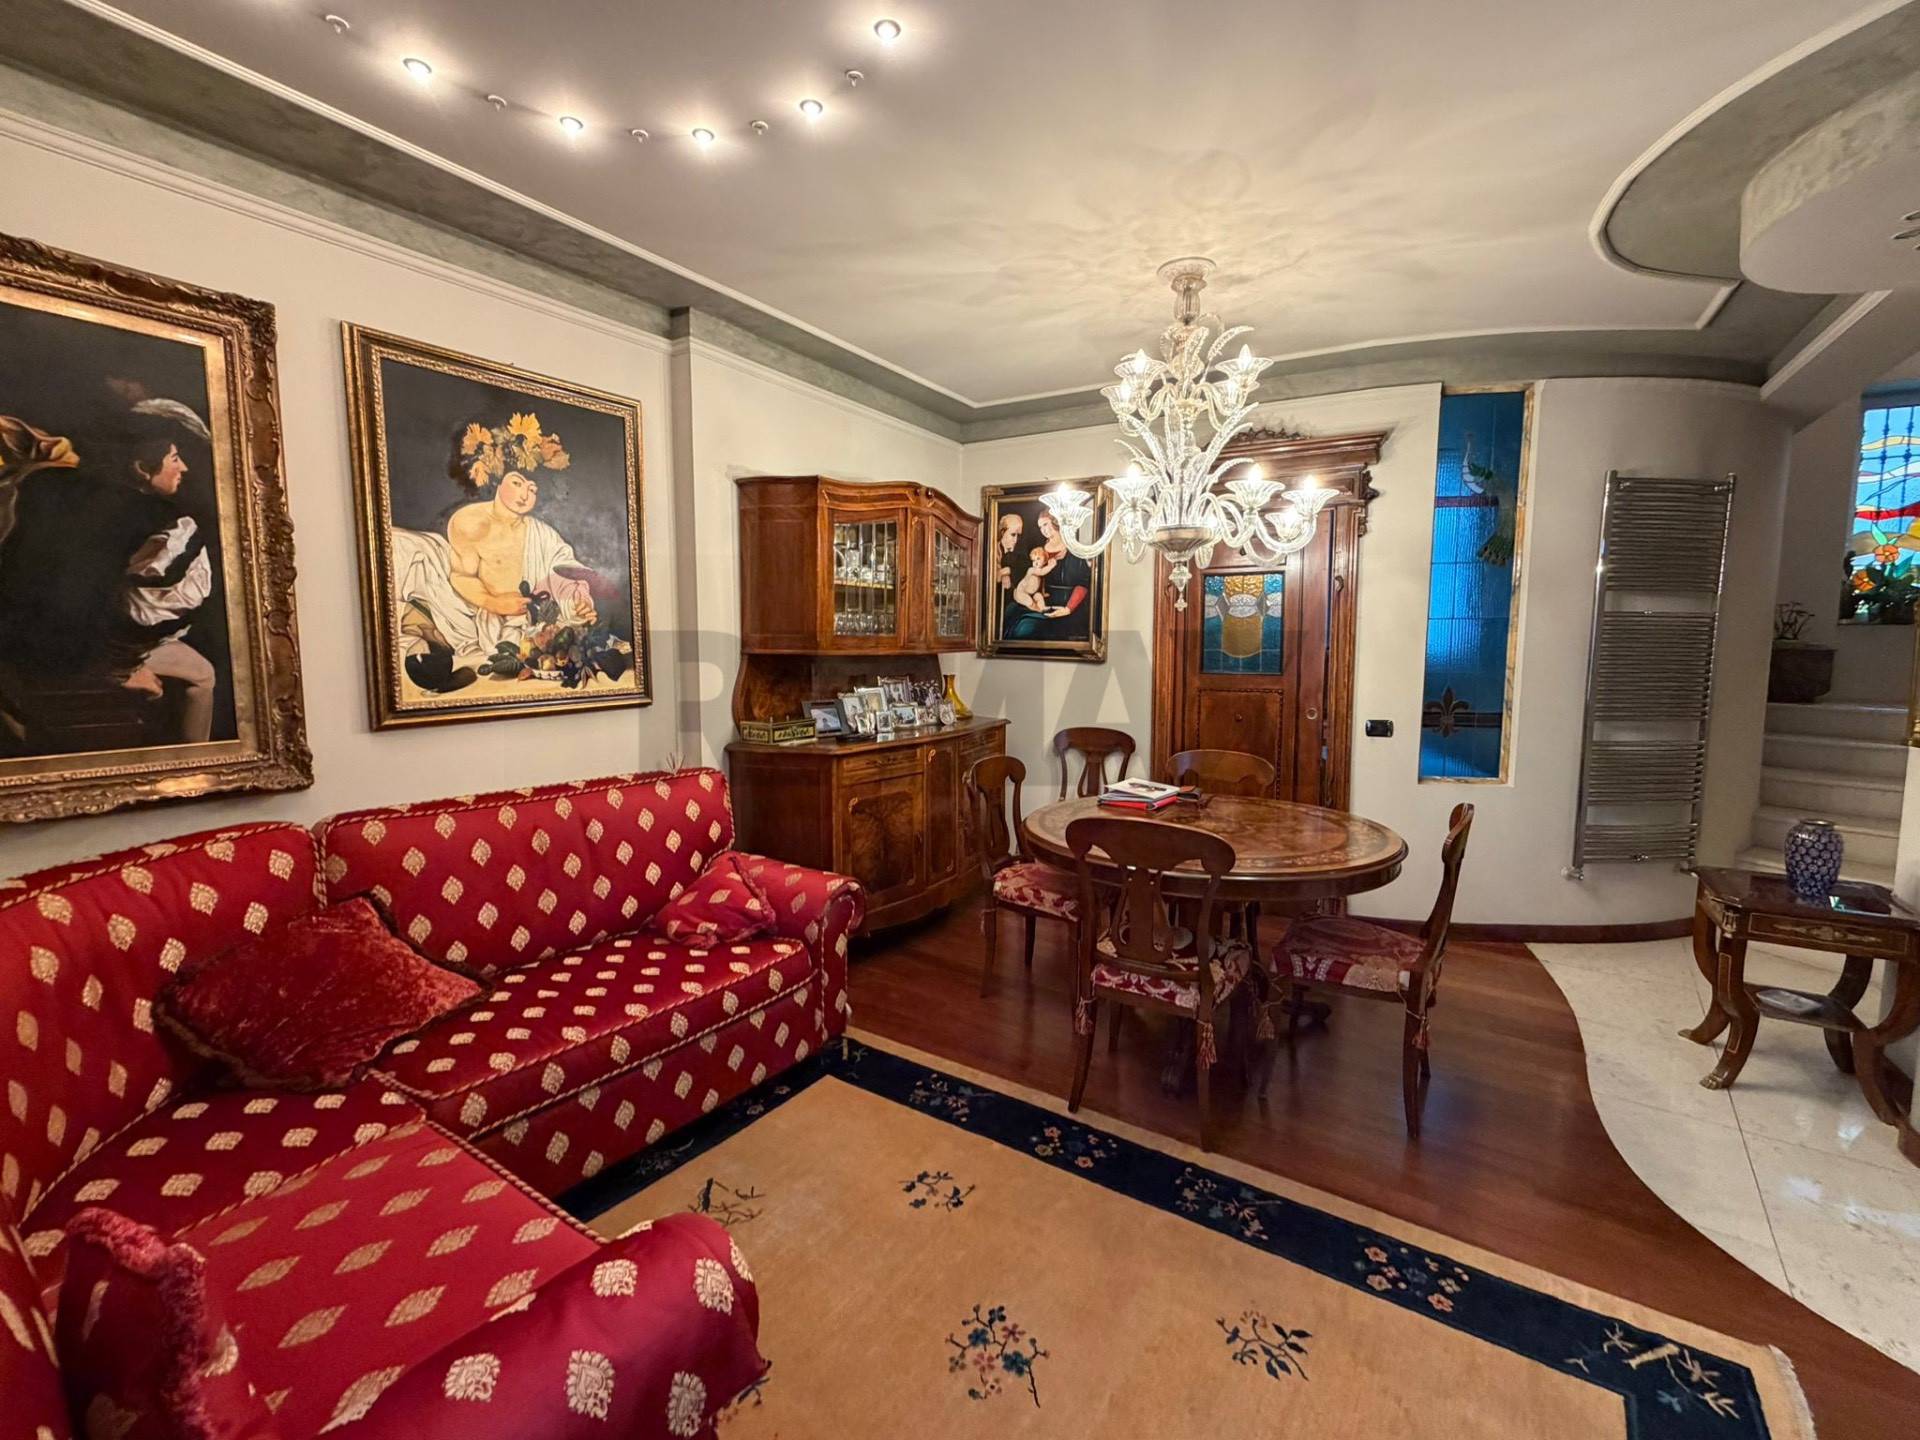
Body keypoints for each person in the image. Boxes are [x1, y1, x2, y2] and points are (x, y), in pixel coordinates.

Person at [0, 399, 221, 749]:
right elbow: (92, 601)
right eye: (174, 458)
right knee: (203, 676)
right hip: (69, 648)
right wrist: (123, 670)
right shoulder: (158, 521)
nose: (184, 468)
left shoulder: (56, 487)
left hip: (18, 636)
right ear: (142, 468)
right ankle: (196, 765)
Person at [389, 415, 601, 690]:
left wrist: (579, 600)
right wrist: (493, 602)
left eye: (533, 489)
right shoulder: (470, 521)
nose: (525, 494)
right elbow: (462, 577)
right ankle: (427, 639)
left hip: (523, 617)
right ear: (497, 480)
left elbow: (564, 571)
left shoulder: (542, 534)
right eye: (517, 483)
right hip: (472, 610)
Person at [1005, 510, 1092, 641]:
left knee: (1025, 629)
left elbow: (1083, 583)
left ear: (1056, 522)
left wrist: (1068, 609)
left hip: (1067, 607)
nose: (1043, 530)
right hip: (1041, 603)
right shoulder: (1039, 552)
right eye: (1040, 527)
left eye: (1045, 524)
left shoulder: (1074, 551)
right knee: (1011, 613)